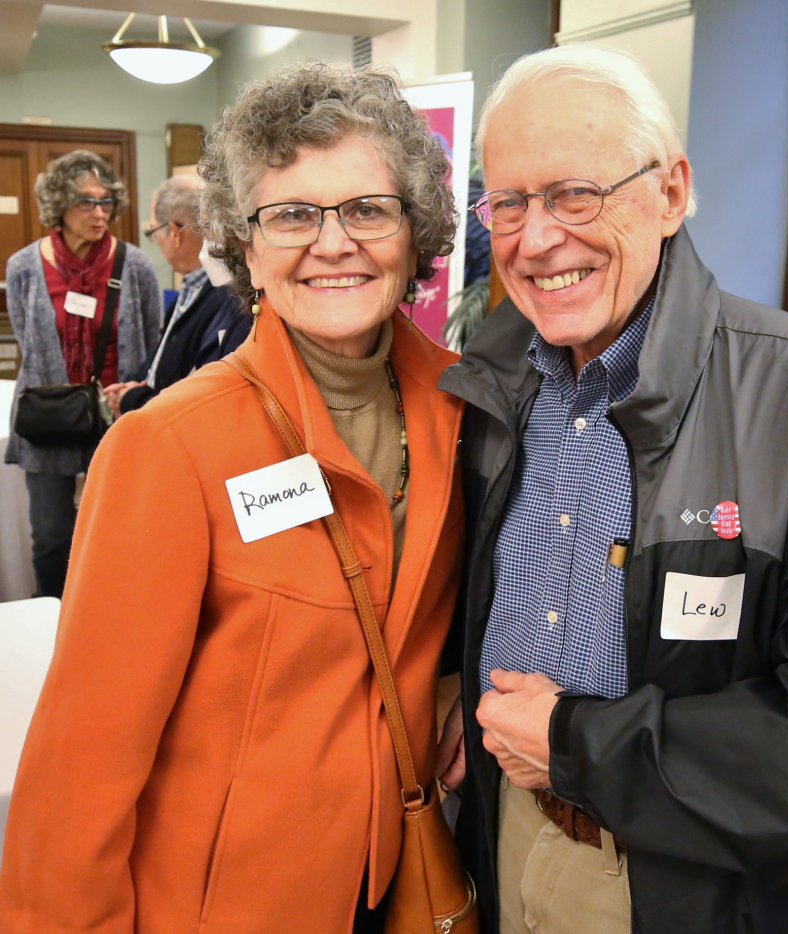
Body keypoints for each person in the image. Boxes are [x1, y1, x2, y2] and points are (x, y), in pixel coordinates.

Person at [435, 46, 788, 934]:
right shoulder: (489, 385)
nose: (536, 237)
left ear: (670, 193)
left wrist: (580, 748)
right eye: (507, 202)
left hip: (712, 892)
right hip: (510, 844)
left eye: (574, 194)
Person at [0, 62, 464, 934]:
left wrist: (457, 695)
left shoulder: (464, 408)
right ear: (246, 246)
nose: (334, 243)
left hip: (395, 877)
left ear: (415, 232)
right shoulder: (168, 446)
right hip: (227, 900)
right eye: (291, 215)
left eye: (367, 208)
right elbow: (83, 759)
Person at [3, 150, 161, 598]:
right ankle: (52, 620)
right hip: (49, 415)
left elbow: (150, 345)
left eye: (106, 201)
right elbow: (29, 344)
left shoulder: (136, 266)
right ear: (58, 206)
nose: (99, 213)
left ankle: (111, 619)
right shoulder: (23, 267)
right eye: (85, 202)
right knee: (51, 537)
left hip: (115, 418)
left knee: (119, 534)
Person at [103, 175, 251, 417]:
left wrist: (132, 399)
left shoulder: (231, 298)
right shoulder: (191, 291)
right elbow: (161, 363)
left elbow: (199, 399)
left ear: (174, 232)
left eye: (154, 232)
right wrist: (134, 385)